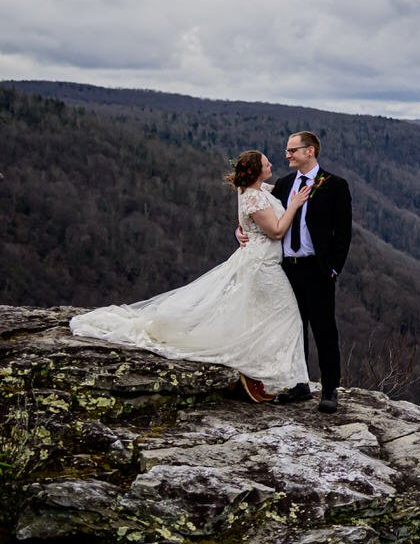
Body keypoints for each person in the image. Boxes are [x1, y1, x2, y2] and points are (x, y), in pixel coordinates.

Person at [70, 150, 310, 402]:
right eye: (265, 163)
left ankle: (263, 372)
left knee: (259, 316)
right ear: (255, 171)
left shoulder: (257, 191)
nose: (271, 163)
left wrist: (241, 228)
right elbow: (275, 231)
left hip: (262, 261)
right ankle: (271, 373)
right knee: (287, 314)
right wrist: (294, 205)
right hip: (262, 266)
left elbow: (255, 216)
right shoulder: (252, 197)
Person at [268, 130, 352, 414]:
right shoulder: (284, 184)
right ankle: (299, 384)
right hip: (286, 268)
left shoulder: (335, 185)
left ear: (310, 151)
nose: (287, 155)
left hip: (316, 268)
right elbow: (267, 219)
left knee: (324, 328)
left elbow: (343, 232)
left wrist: (332, 268)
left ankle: (329, 388)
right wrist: (239, 231)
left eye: (293, 150)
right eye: (287, 150)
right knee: (293, 327)